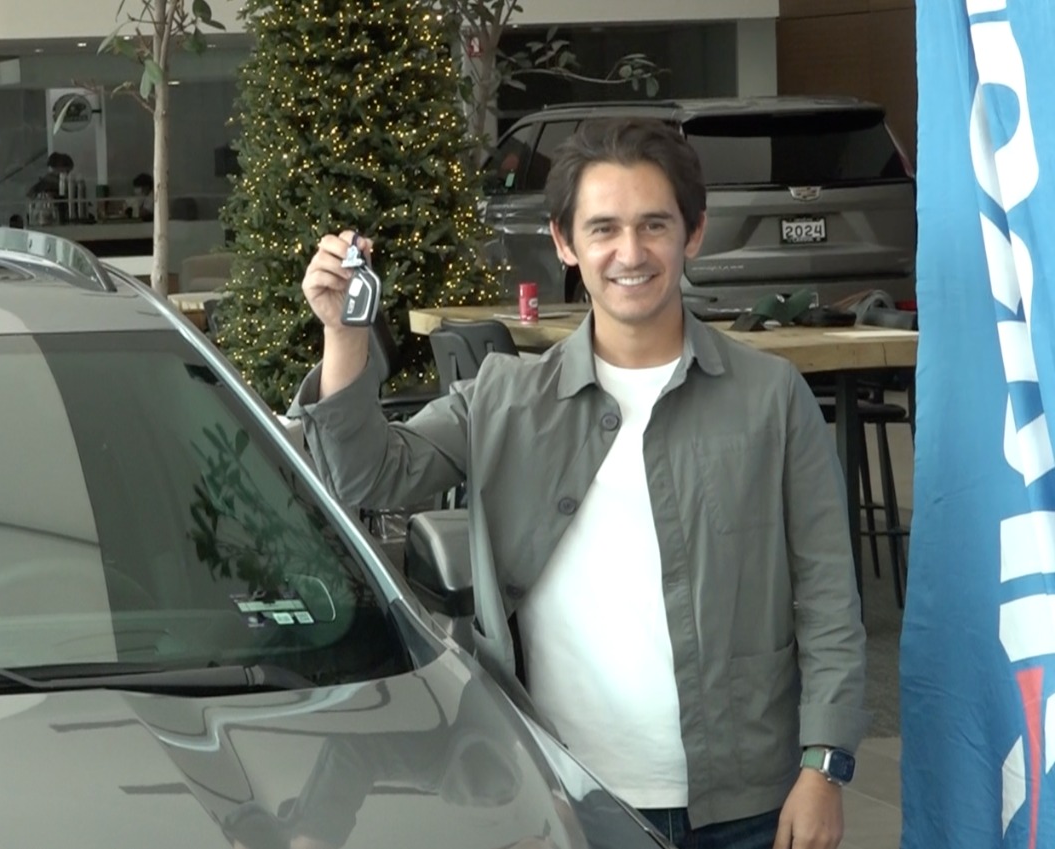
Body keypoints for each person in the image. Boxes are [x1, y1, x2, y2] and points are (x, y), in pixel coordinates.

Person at [288, 117, 868, 849]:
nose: (630, 252)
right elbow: (366, 474)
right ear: (564, 242)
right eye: (603, 229)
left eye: (654, 224)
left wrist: (824, 768)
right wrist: (344, 335)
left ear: (693, 233)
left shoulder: (771, 397)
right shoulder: (503, 399)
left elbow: (828, 597)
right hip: (567, 799)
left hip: (747, 804)